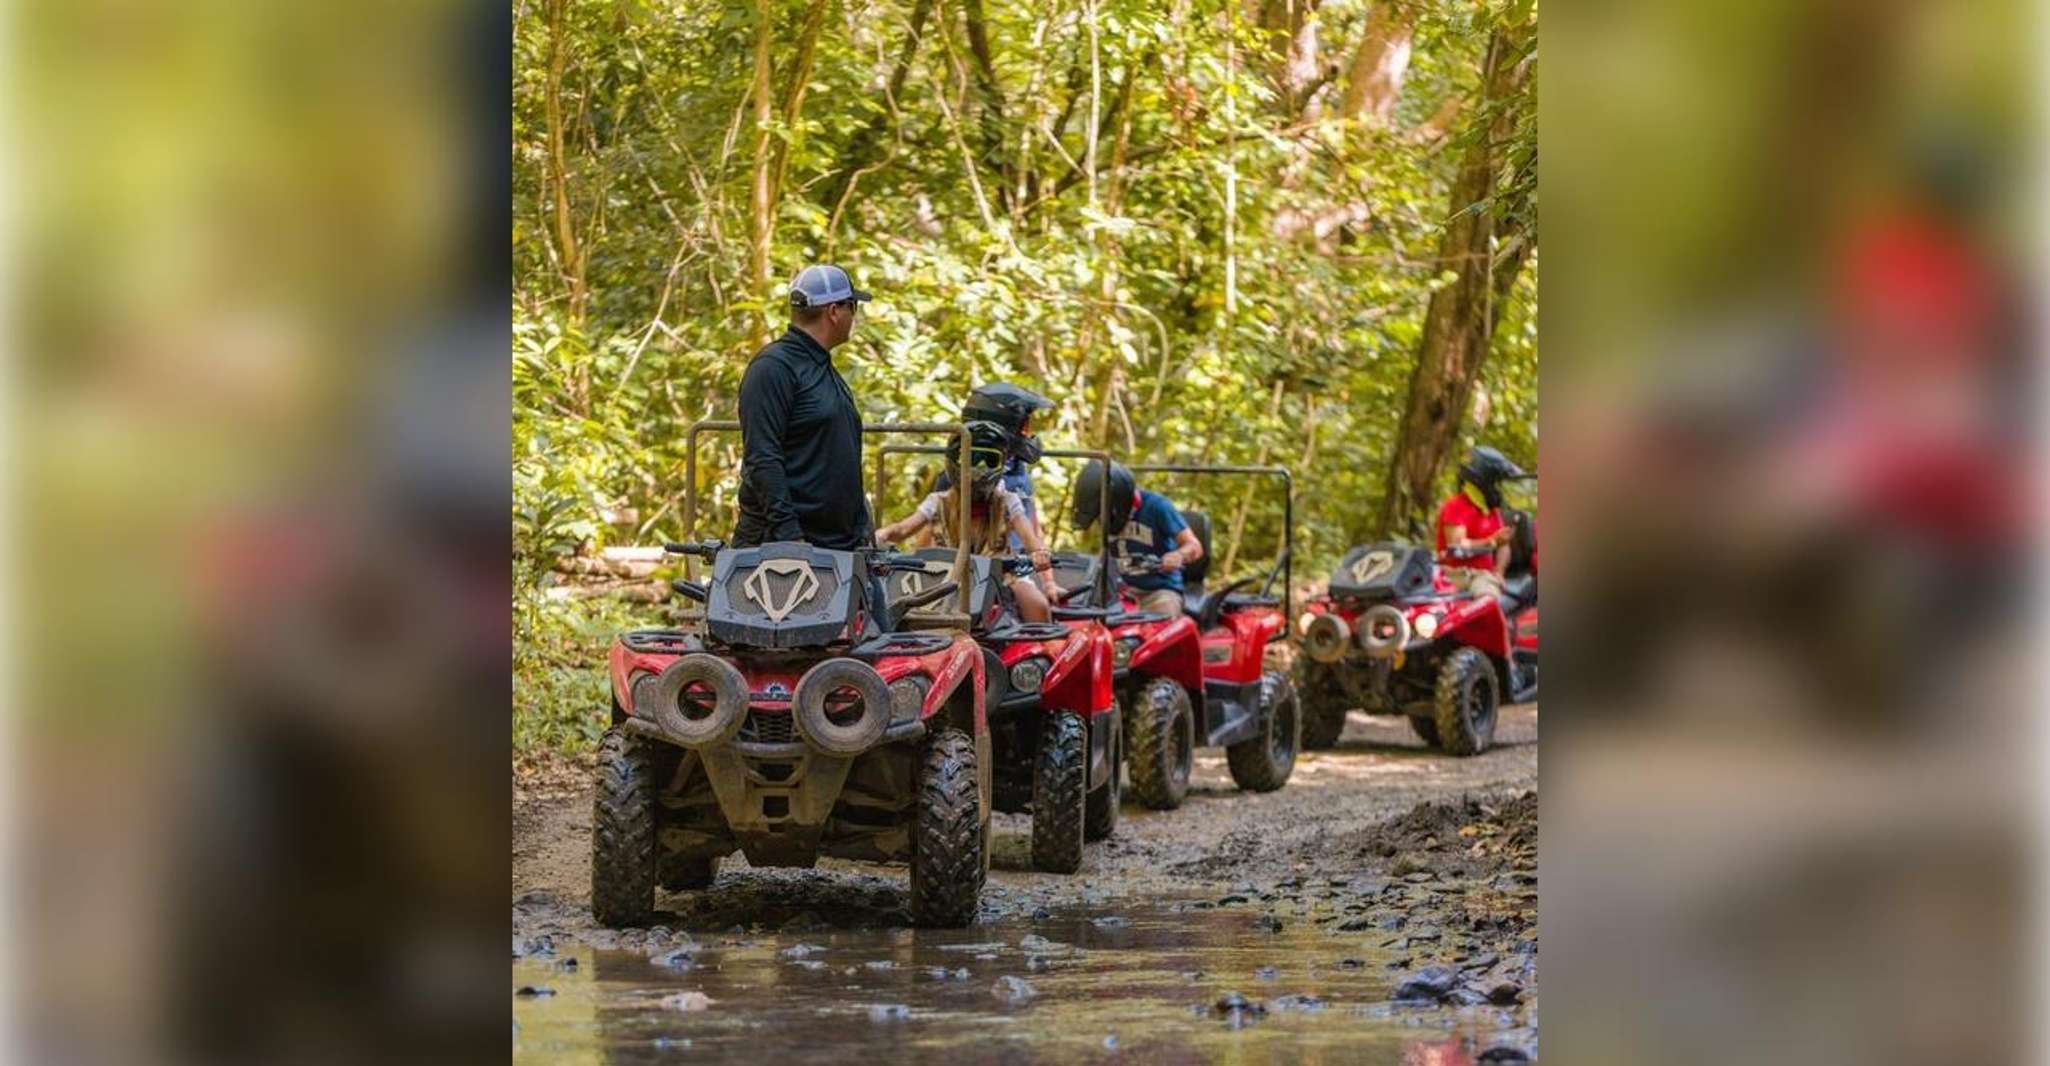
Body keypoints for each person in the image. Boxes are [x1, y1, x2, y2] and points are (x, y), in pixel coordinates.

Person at [732, 265, 873, 550]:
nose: (854, 315)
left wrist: (862, 527)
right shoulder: (774, 367)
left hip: (836, 546)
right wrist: (790, 538)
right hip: (785, 549)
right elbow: (763, 457)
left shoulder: (821, 368)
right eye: (853, 306)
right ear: (834, 312)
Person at [875, 422, 1064, 622]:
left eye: (990, 460)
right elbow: (903, 528)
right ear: (957, 460)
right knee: (898, 610)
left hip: (1000, 578)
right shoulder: (938, 502)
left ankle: (1038, 652)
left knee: (1038, 605)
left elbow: (1029, 536)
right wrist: (880, 535)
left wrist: (1040, 557)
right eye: (973, 458)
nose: (980, 468)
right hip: (945, 579)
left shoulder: (1008, 500)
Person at [1072, 460, 1204, 616]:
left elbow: (1195, 546)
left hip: (1159, 591)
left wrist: (1178, 556)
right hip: (1120, 592)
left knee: (1161, 621)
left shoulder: (1157, 506)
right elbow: (1107, 553)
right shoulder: (1106, 513)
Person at [1435, 446, 1529, 599]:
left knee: (1489, 597)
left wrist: (1499, 571)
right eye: (1496, 483)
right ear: (1485, 481)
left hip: (1482, 576)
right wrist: (1491, 542)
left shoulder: (1490, 510)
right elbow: (1457, 548)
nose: (1498, 488)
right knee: (1486, 601)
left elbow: (1503, 546)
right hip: (1456, 574)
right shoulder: (1456, 507)